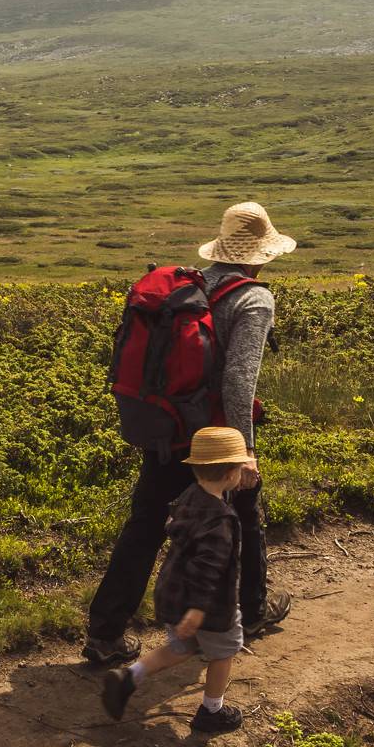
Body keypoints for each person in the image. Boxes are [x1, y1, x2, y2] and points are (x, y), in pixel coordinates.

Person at [83, 201, 293, 666]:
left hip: (169, 427)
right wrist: (245, 450)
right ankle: (252, 611)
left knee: (144, 525)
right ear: (260, 255)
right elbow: (239, 382)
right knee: (244, 516)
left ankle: (104, 633)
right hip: (215, 437)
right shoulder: (254, 299)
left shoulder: (187, 287)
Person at [99, 427, 253, 735]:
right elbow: (209, 569)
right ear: (231, 474)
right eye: (239, 468)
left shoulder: (189, 496)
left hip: (172, 592)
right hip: (208, 605)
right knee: (224, 652)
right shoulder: (221, 521)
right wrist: (197, 609)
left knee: (181, 647)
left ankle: (130, 676)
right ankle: (212, 711)